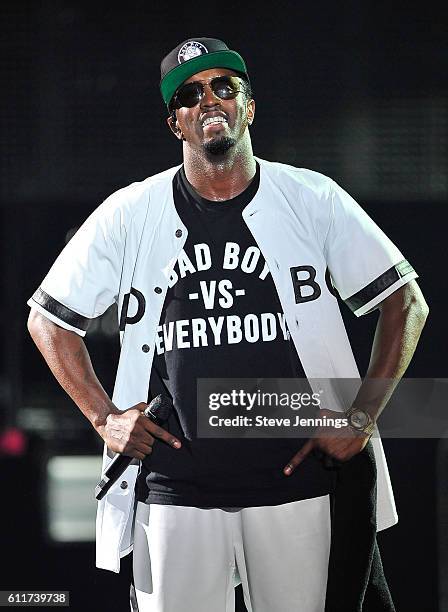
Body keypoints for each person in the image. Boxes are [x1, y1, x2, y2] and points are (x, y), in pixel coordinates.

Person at [27, 37, 428, 612]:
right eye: (190, 94)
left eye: (223, 86)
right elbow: (48, 319)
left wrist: (362, 414)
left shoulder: (312, 197)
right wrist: (104, 417)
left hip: (298, 480)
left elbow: (406, 303)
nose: (208, 99)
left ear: (249, 105)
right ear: (176, 124)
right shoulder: (130, 212)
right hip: (173, 486)